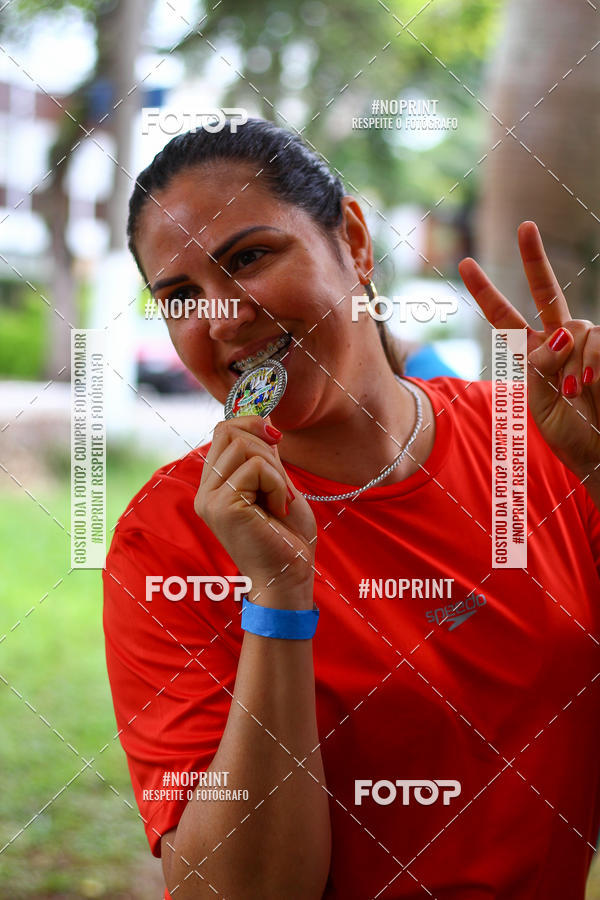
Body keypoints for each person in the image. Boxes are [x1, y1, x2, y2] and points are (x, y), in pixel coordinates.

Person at [103, 118, 600, 900]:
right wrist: (278, 597)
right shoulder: (169, 541)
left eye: (249, 257)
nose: (224, 315)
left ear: (355, 240)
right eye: (181, 295)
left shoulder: (536, 444)